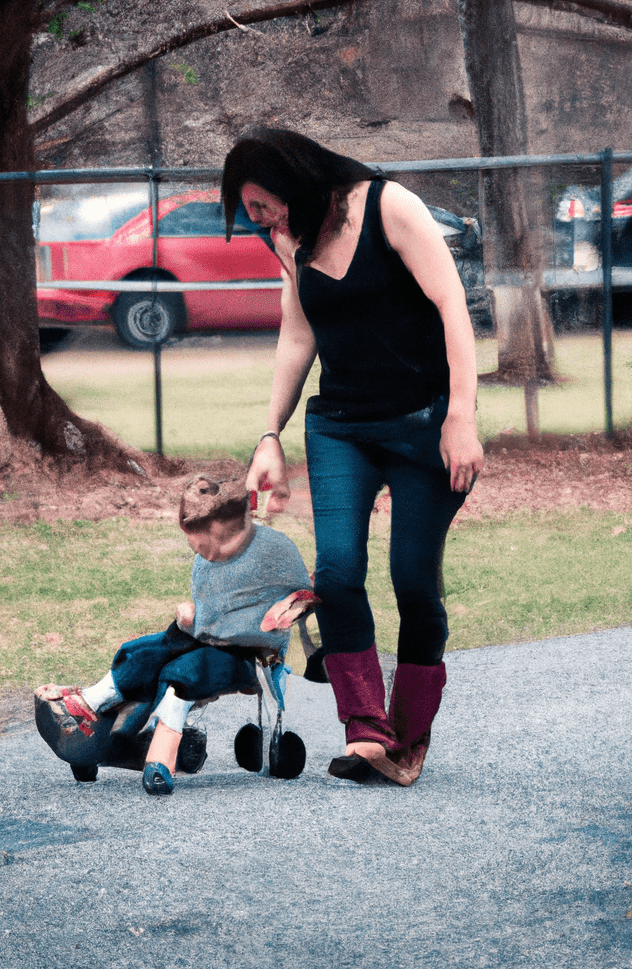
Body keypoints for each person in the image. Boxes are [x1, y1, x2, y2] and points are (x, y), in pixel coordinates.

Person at [220, 127, 484, 786]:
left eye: (260, 205)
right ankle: (366, 732)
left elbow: (453, 304)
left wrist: (461, 417)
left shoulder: (390, 205)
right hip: (340, 426)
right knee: (337, 573)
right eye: (250, 211)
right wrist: (269, 433)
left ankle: (408, 738)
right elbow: (297, 332)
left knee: (413, 580)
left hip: (424, 424)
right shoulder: (292, 240)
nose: (258, 221)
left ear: (295, 181)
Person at [35, 474, 316, 795]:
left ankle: (159, 763)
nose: (195, 549)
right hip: (204, 640)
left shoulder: (275, 550)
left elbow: (300, 601)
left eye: (197, 539)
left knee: (180, 673)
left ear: (218, 527)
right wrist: (190, 623)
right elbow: (206, 618)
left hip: (248, 652)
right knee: (140, 650)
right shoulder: (205, 563)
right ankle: (92, 704)